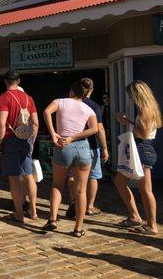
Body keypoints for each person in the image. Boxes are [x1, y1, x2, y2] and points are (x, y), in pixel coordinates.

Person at [42, 81, 98, 237]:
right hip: (82, 148)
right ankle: (78, 228)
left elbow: (46, 112)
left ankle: (52, 220)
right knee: (81, 191)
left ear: (71, 91)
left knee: (57, 185)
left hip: (63, 145)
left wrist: (53, 133)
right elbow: (94, 129)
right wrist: (75, 137)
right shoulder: (88, 108)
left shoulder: (60, 102)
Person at [114, 80, 161, 236]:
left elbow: (143, 133)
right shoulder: (149, 108)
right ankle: (138, 217)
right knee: (128, 184)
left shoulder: (146, 110)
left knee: (144, 189)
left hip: (142, 148)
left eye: (131, 95)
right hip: (144, 149)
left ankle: (150, 224)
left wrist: (126, 122)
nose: (131, 99)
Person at [0, 70, 39, 223]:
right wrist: (31, 141)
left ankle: (19, 213)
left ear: (5, 82)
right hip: (26, 140)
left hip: (11, 139)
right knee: (28, 175)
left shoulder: (4, 98)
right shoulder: (29, 98)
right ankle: (33, 211)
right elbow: (35, 123)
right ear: (18, 81)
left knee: (14, 178)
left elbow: (1, 123)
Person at [66, 78, 109, 217]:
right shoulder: (94, 106)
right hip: (90, 145)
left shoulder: (69, 104)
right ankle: (89, 206)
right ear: (91, 90)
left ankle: (74, 201)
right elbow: (99, 129)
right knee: (92, 176)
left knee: (72, 175)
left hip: (72, 145)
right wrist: (104, 148)